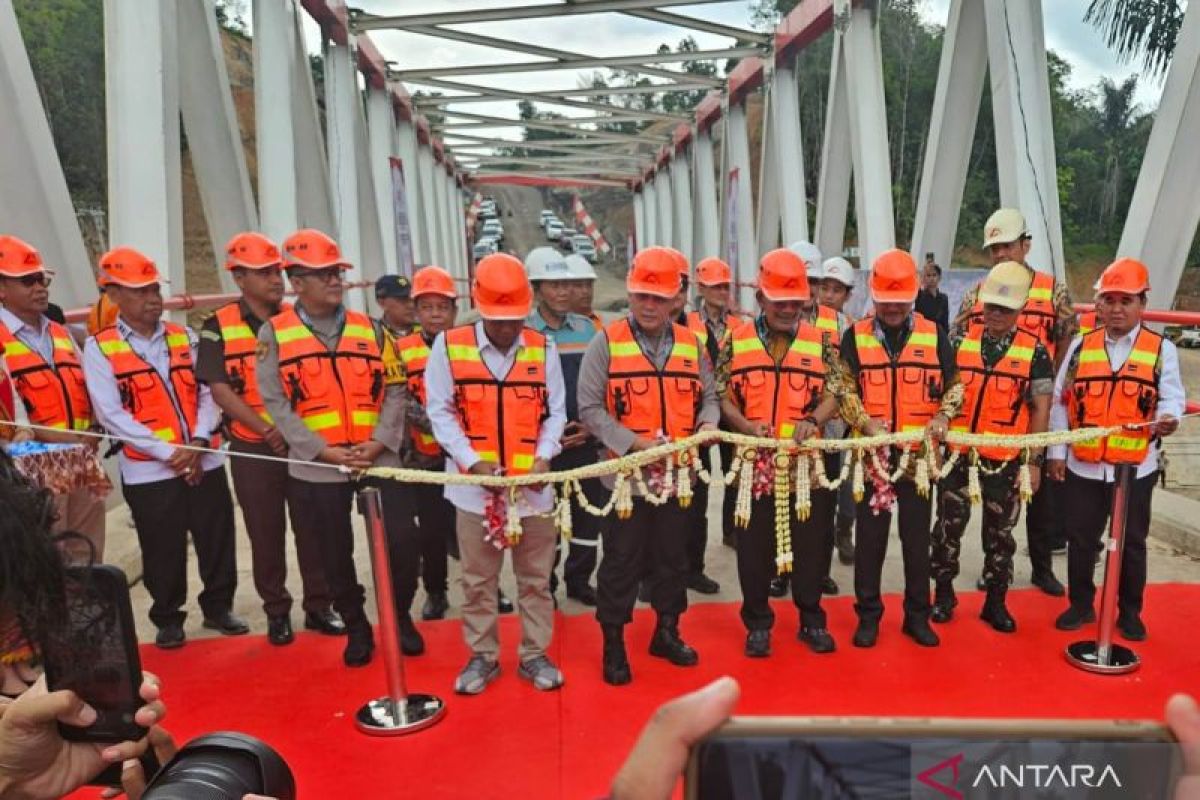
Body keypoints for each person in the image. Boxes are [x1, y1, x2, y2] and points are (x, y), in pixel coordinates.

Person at [256, 229, 418, 668]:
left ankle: (399, 615)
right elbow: (276, 402)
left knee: (403, 541)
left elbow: (396, 389)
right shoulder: (275, 334)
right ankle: (357, 625)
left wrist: (380, 442)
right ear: (297, 281)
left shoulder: (372, 329)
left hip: (377, 458)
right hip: (317, 466)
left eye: (337, 272)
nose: (334, 280)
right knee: (332, 552)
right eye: (323, 273)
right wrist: (321, 450)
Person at [83, 247, 246, 650]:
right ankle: (168, 616)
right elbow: (110, 413)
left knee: (216, 537)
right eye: (141, 291)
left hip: (202, 456)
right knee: (162, 545)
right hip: (150, 469)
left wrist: (196, 441)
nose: (152, 298)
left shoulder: (184, 337)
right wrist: (169, 453)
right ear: (115, 295)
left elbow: (208, 392)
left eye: (154, 289)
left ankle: (219, 607)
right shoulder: (100, 349)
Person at [424, 253, 568, 694]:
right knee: (478, 580)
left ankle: (534, 654)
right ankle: (482, 656)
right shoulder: (448, 347)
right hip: (474, 490)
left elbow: (555, 413)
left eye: (514, 320)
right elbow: (440, 411)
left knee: (535, 578)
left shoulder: (544, 349)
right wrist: (472, 462)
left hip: (532, 489)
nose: (506, 329)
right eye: (497, 321)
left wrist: (544, 457)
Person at [578, 247, 720, 686]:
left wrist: (706, 425)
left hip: (678, 475)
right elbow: (589, 407)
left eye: (660, 298)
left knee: (672, 559)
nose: (650, 306)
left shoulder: (693, 346)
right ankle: (614, 642)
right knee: (621, 559)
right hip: (627, 478)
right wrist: (634, 443)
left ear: (677, 299)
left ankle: (667, 631)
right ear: (631, 294)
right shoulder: (607, 341)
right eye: (643, 297)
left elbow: (710, 398)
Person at [196, 232, 341, 647]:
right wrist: (267, 430)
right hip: (253, 444)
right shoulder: (217, 326)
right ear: (239, 277)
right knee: (266, 531)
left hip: (301, 441)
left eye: (277, 270)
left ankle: (319, 605)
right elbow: (220, 390)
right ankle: (277, 611)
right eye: (263, 272)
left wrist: (296, 433)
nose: (275, 279)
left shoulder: (299, 320)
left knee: (311, 528)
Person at [716, 249, 847, 657]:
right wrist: (745, 427)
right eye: (780, 301)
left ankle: (811, 619)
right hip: (755, 461)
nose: (789, 308)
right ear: (761, 299)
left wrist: (814, 419)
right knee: (753, 548)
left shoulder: (822, 341)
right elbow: (720, 395)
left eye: (796, 301)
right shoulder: (735, 340)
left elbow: (837, 391)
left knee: (813, 545)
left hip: (808, 465)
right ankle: (757, 623)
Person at [1048, 258, 1184, 641]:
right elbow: (1061, 401)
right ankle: (1080, 604)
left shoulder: (1161, 350)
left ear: (1142, 303)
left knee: (1132, 544)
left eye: (1126, 300)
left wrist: (1169, 417)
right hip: (1085, 466)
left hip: (1135, 468)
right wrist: (1058, 454)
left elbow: (1171, 397)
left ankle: (1129, 611)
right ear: (1099, 305)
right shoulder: (1080, 348)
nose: (1116, 309)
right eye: (1109, 300)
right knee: (1081, 539)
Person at [839, 249, 963, 649]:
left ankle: (916, 616)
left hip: (917, 458)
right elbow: (843, 388)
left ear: (912, 297)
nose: (892, 309)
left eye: (899, 302)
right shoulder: (854, 338)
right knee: (870, 542)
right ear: (873, 297)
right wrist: (862, 421)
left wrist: (943, 417)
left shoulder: (934, 335)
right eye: (884, 301)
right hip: (872, 457)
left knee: (915, 541)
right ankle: (869, 616)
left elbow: (955, 385)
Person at [953, 208, 1076, 596]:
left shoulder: (1051, 289)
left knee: (1038, 490)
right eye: (994, 249)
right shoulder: (977, 292)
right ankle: (985, 571)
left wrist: (1051, 385)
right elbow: (958, 338)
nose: (1001, 255)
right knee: (982, 494)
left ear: (1026, 244)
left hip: (1038, 400)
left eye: (1007, 246)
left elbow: (1068, 336)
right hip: (989, 406)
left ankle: (1041, 567)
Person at [929, 262, 1054, 633]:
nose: (996, 314)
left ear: (1019, 310)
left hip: (1004, 459)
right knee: (947, 529)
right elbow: (941, 394)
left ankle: (995, 601)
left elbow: (1041, 408)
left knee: (1000, 535)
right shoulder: (958, 339)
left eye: (1005, 309)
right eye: (991, 307)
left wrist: (1034, 461)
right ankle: (944, 595)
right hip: (957, 455)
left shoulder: (1035, 352)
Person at [0, 235, 105, 560]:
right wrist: (56, 436)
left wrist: (94, 429)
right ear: (1, 288)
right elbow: (8, 412)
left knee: (88, 552)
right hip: (30, 464)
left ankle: (88, 610)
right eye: (28, 281)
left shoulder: (60, 332)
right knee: (47, 555)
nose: (40, 287)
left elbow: (89, 386)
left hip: (80, 456)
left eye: (42, 279)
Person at [525, 247, 605, 607]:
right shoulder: (524, 333)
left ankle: (579, 580)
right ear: (537, 289)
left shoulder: (589, 331)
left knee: (588, 517)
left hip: (587, 440)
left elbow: (602, 385)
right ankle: (547, 587)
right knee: (546, 522)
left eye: (566, 285)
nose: (563, 292)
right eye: (553, 285)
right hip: (544, 445)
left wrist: (592, 429)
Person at [390, 266, 460, 622]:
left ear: (454, 311)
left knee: (477, 527)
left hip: (466, 457)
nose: (435, 314)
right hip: (424, 458)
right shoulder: (401, 350)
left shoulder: (468, 347)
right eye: (428, 307)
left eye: (442, 307)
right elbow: (398, 399)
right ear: (416, 311)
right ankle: (436, 590)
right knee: (432, 530)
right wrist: (441, 427)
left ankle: (489, 588)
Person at [682, 256, 741, 595]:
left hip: (733, 411)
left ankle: (734, 531)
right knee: (697, 490)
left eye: (724, 286)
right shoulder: (686, 322)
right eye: (714, 286)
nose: (720, 291)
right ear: (701, 288)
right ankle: (692, 566)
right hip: (698, 416)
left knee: (738, 476)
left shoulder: (740, 326)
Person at [818, 256, 859, 569]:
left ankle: (844, 531)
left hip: (840, 419)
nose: (829, 294)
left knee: (845, 481)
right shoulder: (802, 322)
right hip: (807, 416)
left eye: (837, 289)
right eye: (825, 287)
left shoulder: (851, 329)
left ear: (847, 294)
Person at [565, 253, 604, 331]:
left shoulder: (603, 325)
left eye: (589, 285)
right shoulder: (553, 325)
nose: (585, 291)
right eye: (578, 285)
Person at [374, 274, 416, 338]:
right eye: (403, 300)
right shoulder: (372, 335)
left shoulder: (428, 331)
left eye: (413, 299)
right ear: (382, 303)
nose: (411, 305)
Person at [915, 258, 950, 330]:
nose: (931, 278)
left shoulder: (943, 298)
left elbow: (945, 323)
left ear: (939, 277)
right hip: (922, 334)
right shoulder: (919, 296)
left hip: (938, 335)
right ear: (923, 278)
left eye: (934, 275)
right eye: (928, 275)